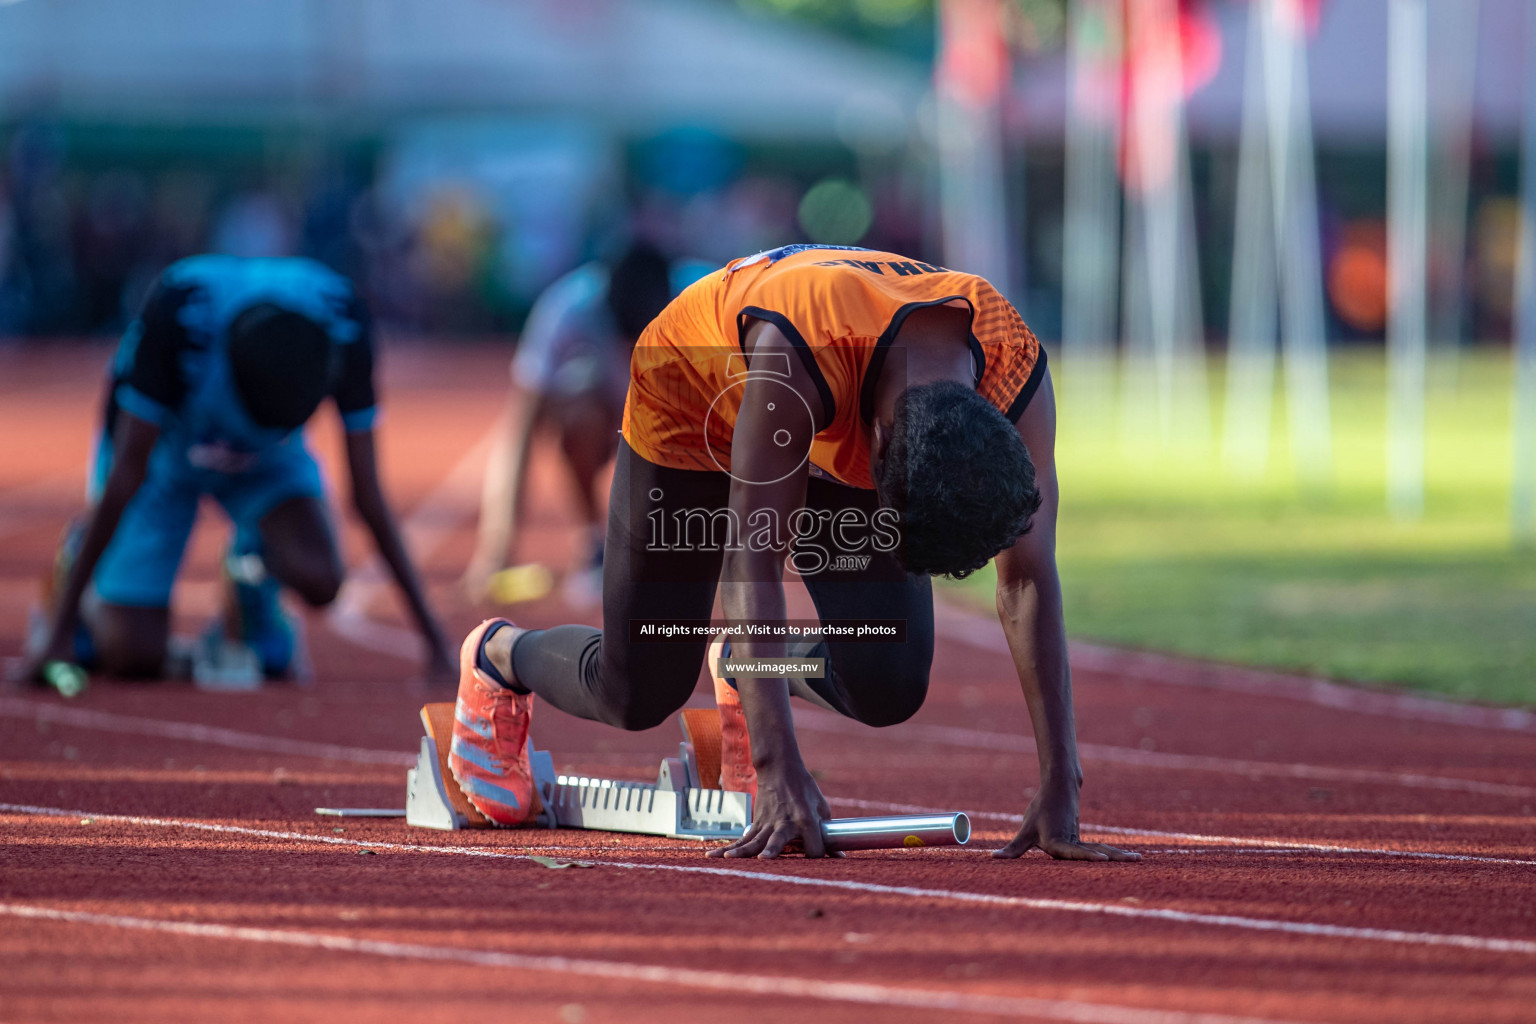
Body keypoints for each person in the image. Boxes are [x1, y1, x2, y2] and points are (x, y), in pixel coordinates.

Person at [444, 243, 1139, 863]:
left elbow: (1025, 582)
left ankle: (745, 664)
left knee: (888, 679)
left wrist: (1060, 782)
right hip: (693, 394)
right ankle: (497, 655)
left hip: (847, 397)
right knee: (638, 690)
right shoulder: (795, 362)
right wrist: (777, 766)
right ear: (881, 445)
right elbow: (753, 564)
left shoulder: (1014, 374)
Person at [14, 255, 452, 685]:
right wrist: (60, 632)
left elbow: (367, 493)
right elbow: (126, 474)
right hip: (164, 450)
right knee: (133, 656)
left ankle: (249, 575)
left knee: (321, 578)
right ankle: (78, 564)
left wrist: (435, 641)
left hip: (267, 460)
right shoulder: (181, 314)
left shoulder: (343, 324)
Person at [461, 241, 711, 606]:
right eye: (628, 339)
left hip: (683, 413)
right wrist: (495, 553)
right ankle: (595, 540)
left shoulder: (706, 297)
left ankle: (691, 539)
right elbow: (520, 433)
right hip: (610, 411)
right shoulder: (566, 309)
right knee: (575, 412)